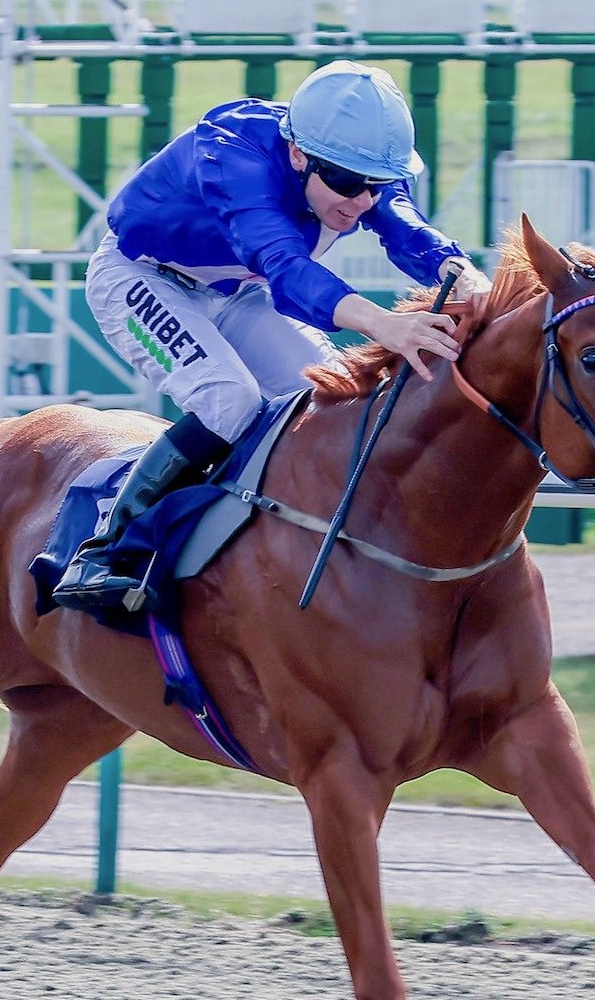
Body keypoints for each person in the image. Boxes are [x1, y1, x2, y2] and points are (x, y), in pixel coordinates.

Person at [52, 59, 489, 613]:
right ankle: (105, 550)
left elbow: (408, 231)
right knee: (229, 400)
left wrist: (475, 283)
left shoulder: (354, 167)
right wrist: (386, 324)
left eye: (376, 185)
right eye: (349, 184)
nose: (361, 202)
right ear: (298, 155)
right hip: (141, 276)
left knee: (325, 398)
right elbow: (284, 269)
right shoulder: (232, 153)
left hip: (234, 291)